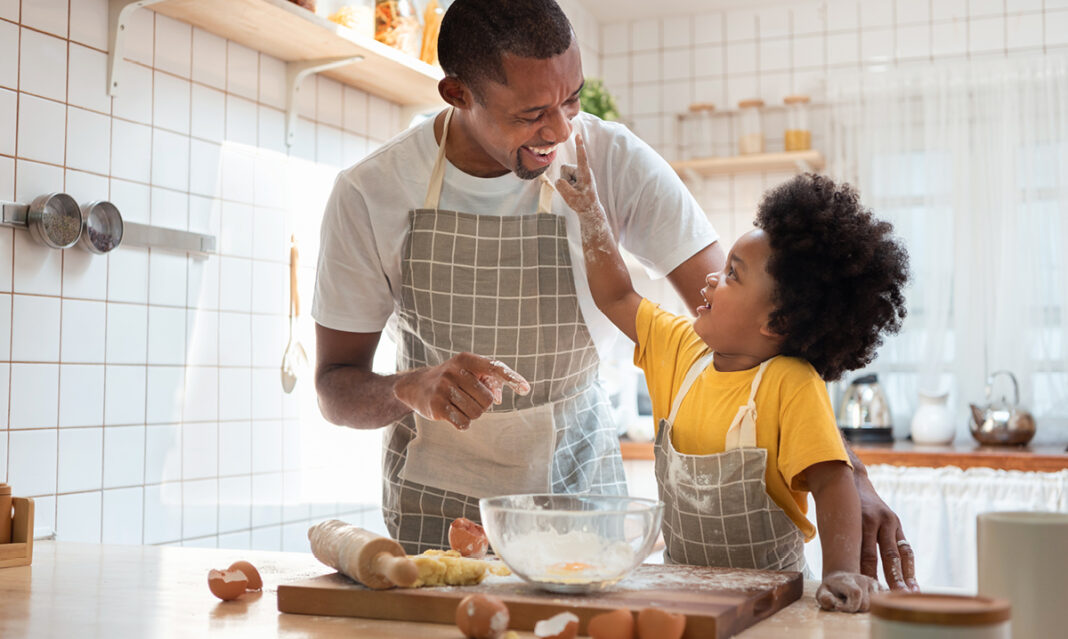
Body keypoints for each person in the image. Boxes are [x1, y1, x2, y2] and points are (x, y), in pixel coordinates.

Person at [311, 0, 919, 591]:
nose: (560, 130)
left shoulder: (614, 160)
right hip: (433, 517)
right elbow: (335, 388)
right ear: (458, 95)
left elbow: (769, 323)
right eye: (531, 114)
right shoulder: (371, 193)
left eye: (571, 100)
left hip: (582, 513)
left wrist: (847, 474)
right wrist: (407, 387)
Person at [555, 138, 909, 611]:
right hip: (686, 593)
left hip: (772, 601)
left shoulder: (791, 384)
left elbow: (832, 481)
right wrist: (591, 215)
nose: (710, 279)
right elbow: (617, 297)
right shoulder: (680, 348)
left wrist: (840, 574)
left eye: (732, 275)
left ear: (776, 323)